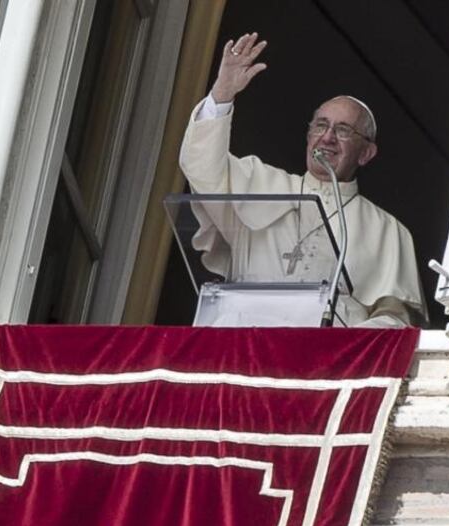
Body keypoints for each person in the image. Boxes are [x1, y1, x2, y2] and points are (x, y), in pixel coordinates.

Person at [179, 33, 426, 327]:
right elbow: (200, 167)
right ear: (308, 135)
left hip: (323, 362)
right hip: (241, 343)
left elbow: (395, 322)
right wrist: (222, 94)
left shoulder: (388, 231)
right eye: (321, 125)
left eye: (344, 130)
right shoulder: (259, 182)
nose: (328, 137)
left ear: (366, 153)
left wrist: (339, 346)